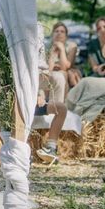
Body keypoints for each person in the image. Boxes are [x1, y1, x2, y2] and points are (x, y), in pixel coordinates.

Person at [35, 25, 67, 165]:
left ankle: (51, 147)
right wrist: (38, 93)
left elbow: (44, 73)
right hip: (24, 99)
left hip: (41, 94)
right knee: (59, 76)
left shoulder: (41, 50)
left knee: (62, 108)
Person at [46, 22, 78, 101]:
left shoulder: (72, 46)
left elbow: (65, 67)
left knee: (62, 74)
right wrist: (53, 52)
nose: (59, 33)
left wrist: (62, 49)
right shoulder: (47, 46)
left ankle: (61, 103)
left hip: (66, 72)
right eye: (56, 31)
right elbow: (49, 68)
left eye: (62, 31)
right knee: (48, 75)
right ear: (52, 34)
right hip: (51, 71)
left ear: (66, 35)